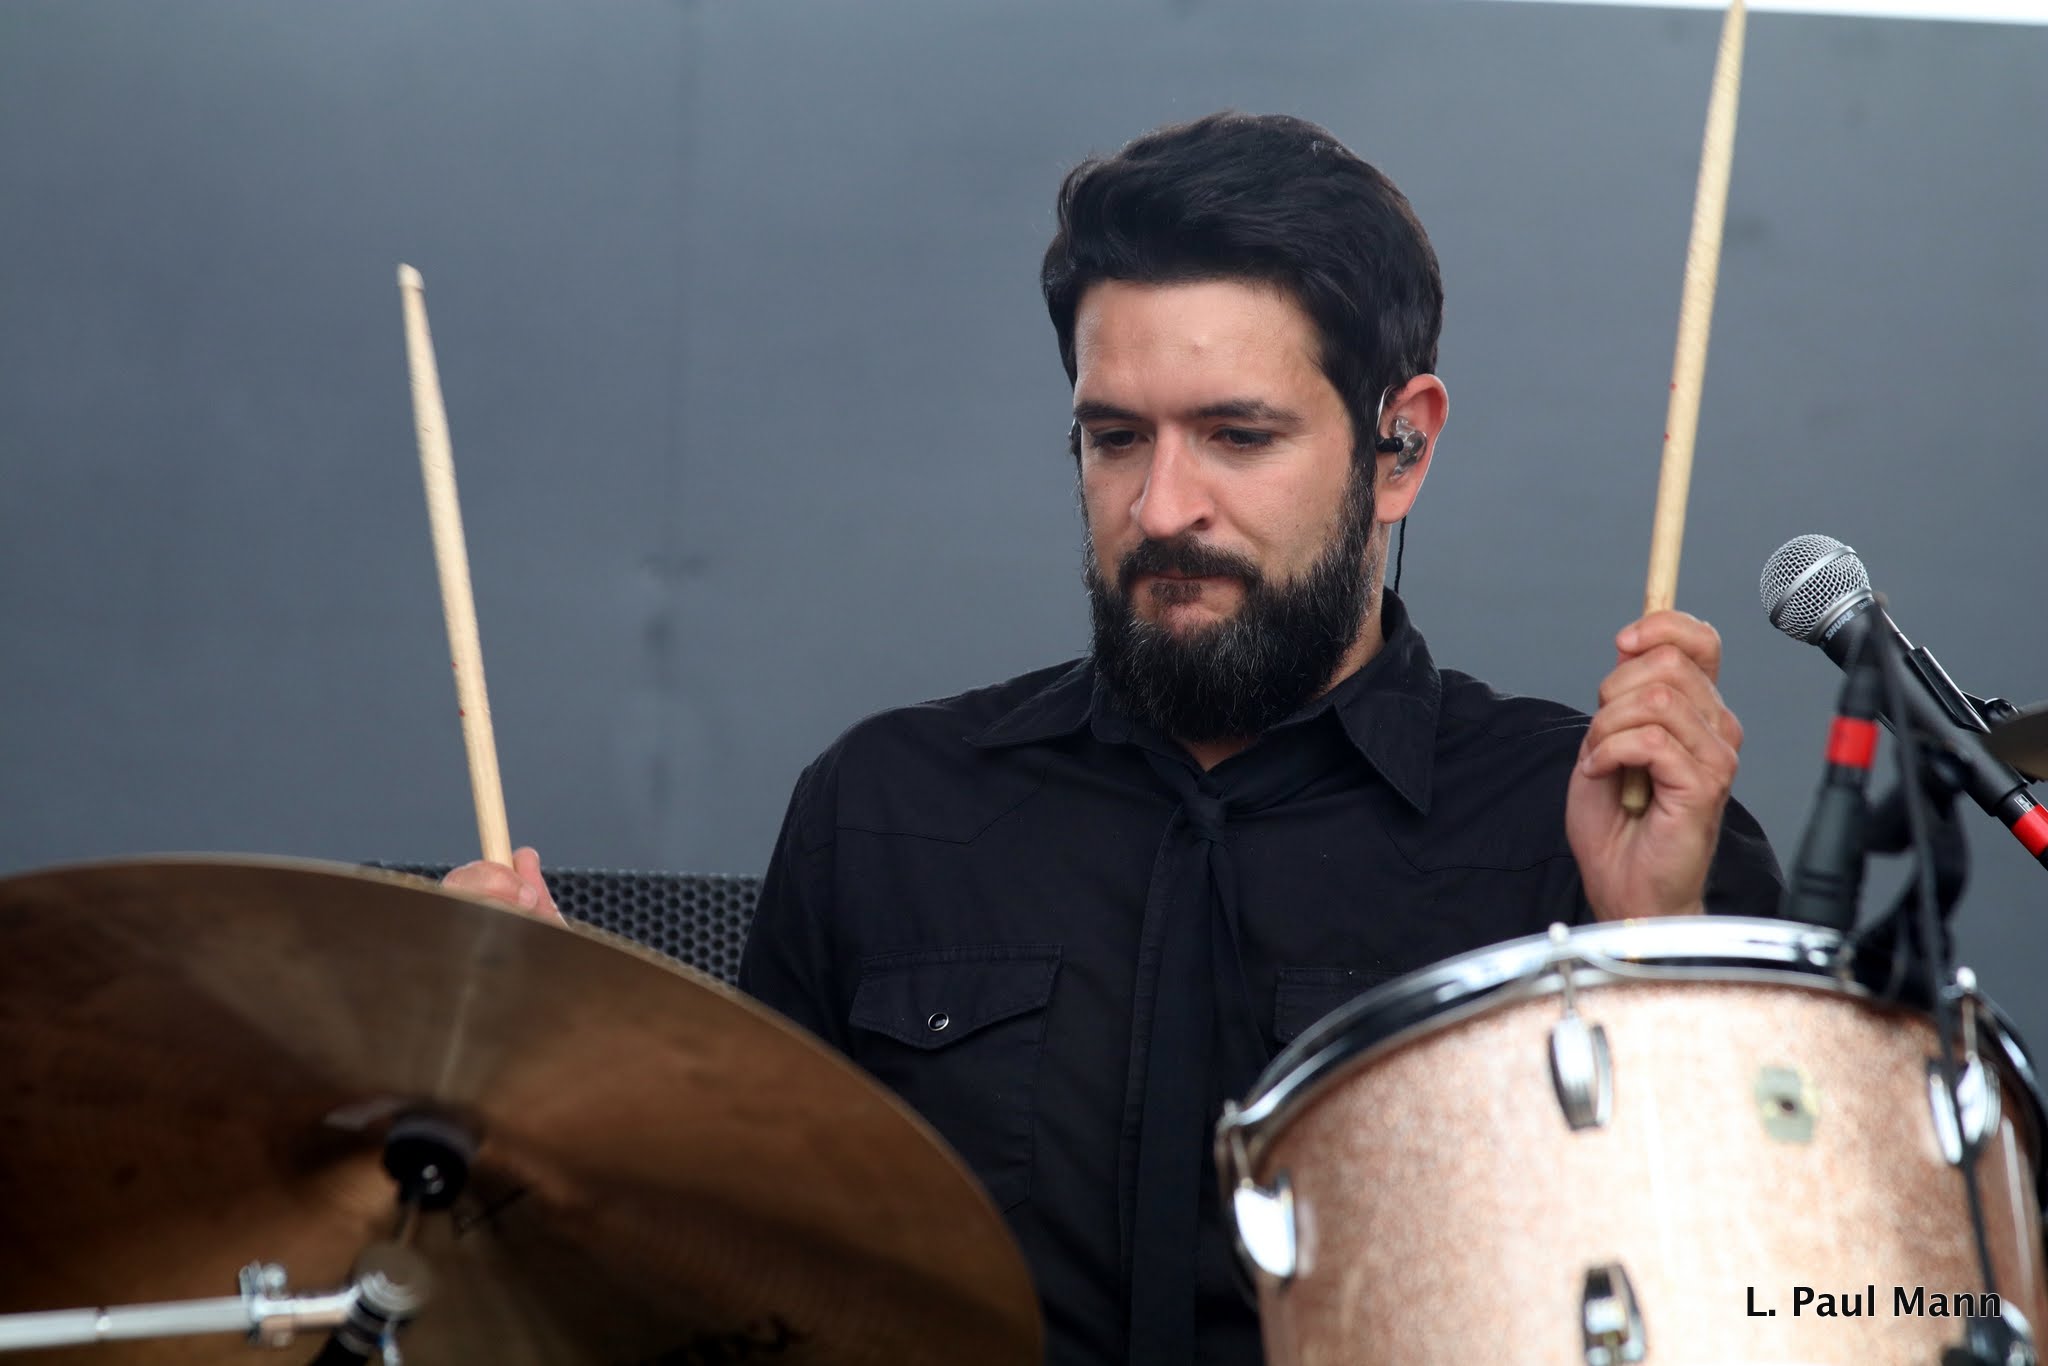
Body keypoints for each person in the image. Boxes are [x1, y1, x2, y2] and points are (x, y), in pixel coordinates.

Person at [450, 112, 1781, 1366]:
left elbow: (1779, 1293)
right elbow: (738, 1300)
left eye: (1237, 436)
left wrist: (1654, 946)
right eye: (1115, 438)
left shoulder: (1591, 827)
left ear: (1400, 450)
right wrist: (562, 1093)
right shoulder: (884, 808)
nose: (1159, 507)